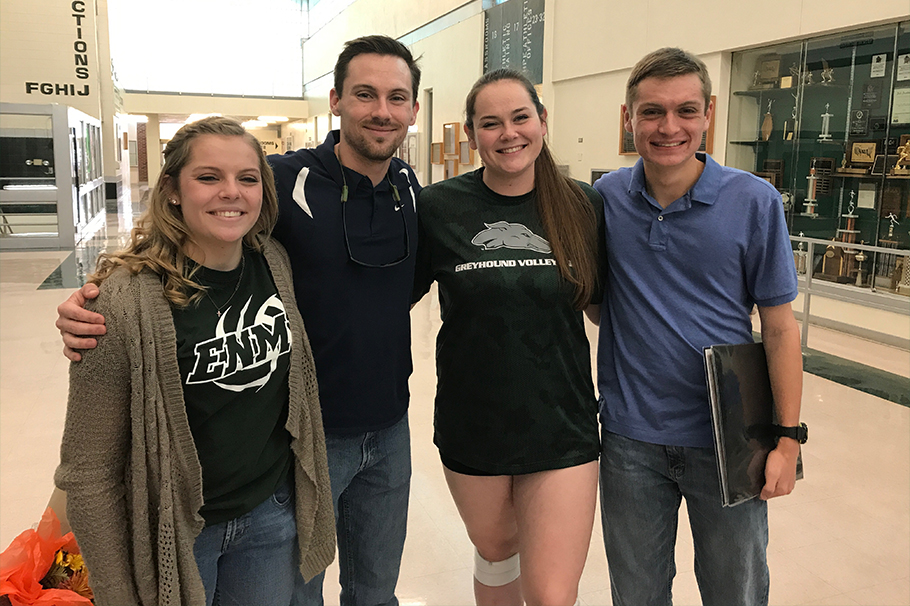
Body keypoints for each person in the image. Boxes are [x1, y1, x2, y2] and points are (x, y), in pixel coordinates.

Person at [55, 35, 420, 606]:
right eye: (365, 93)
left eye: (397, 97)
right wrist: (100, 294)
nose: (381, 110)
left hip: (377, 434)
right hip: (306, 440)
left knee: (375, 591)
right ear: (335, 100)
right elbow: (207, 215)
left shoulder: (409, 190)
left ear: (414, 111)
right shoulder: (281, 177)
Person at [54, 116, 335, 606]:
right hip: (181, 532)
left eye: (247, 179)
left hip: (270, 513)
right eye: (209, 177)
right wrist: (116, 593)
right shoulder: (119, 302)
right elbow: (87, 473)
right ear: (173, 191)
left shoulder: (273, 262)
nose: (231, 192)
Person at [593, 48, 804, 606]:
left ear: (708, 112)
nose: (669, 127)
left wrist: (788, 438)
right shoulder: (606, 199)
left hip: (729, 439)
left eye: (686, 110)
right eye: (652, 112)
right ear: (628, 117)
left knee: (735, 590)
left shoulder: (753, 202)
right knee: (636, 593)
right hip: (629, 440)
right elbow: (596, 298)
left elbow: (780, 329)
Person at [412, 69, 605, 606]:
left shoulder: (583, 205)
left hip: (561, 424)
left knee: (550, 595)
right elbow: (387, 299)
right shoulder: (439, 208)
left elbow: (605, 309)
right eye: (490, 123)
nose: (509, 133)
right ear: (472, 135)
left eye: (521, 117)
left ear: (542, 121)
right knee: (497, 552)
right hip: (473, 422)